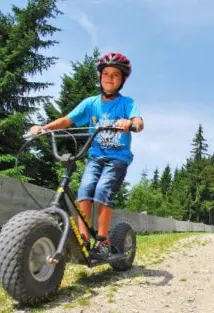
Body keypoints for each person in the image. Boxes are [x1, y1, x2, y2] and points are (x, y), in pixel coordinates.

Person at [29, 52, 144, 259]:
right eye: (106, 73)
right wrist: (44, 128)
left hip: (118, 157)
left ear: (123, 80)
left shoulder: (127, 103)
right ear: (100, 77)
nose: (110, 78)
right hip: (95, 156)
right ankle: (83, 237)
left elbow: (138, 121)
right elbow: (67, 120)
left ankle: (103, 241)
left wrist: (131, 124)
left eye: (115, 75)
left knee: (102, 191)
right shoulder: (91, 103)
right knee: (84, 190)